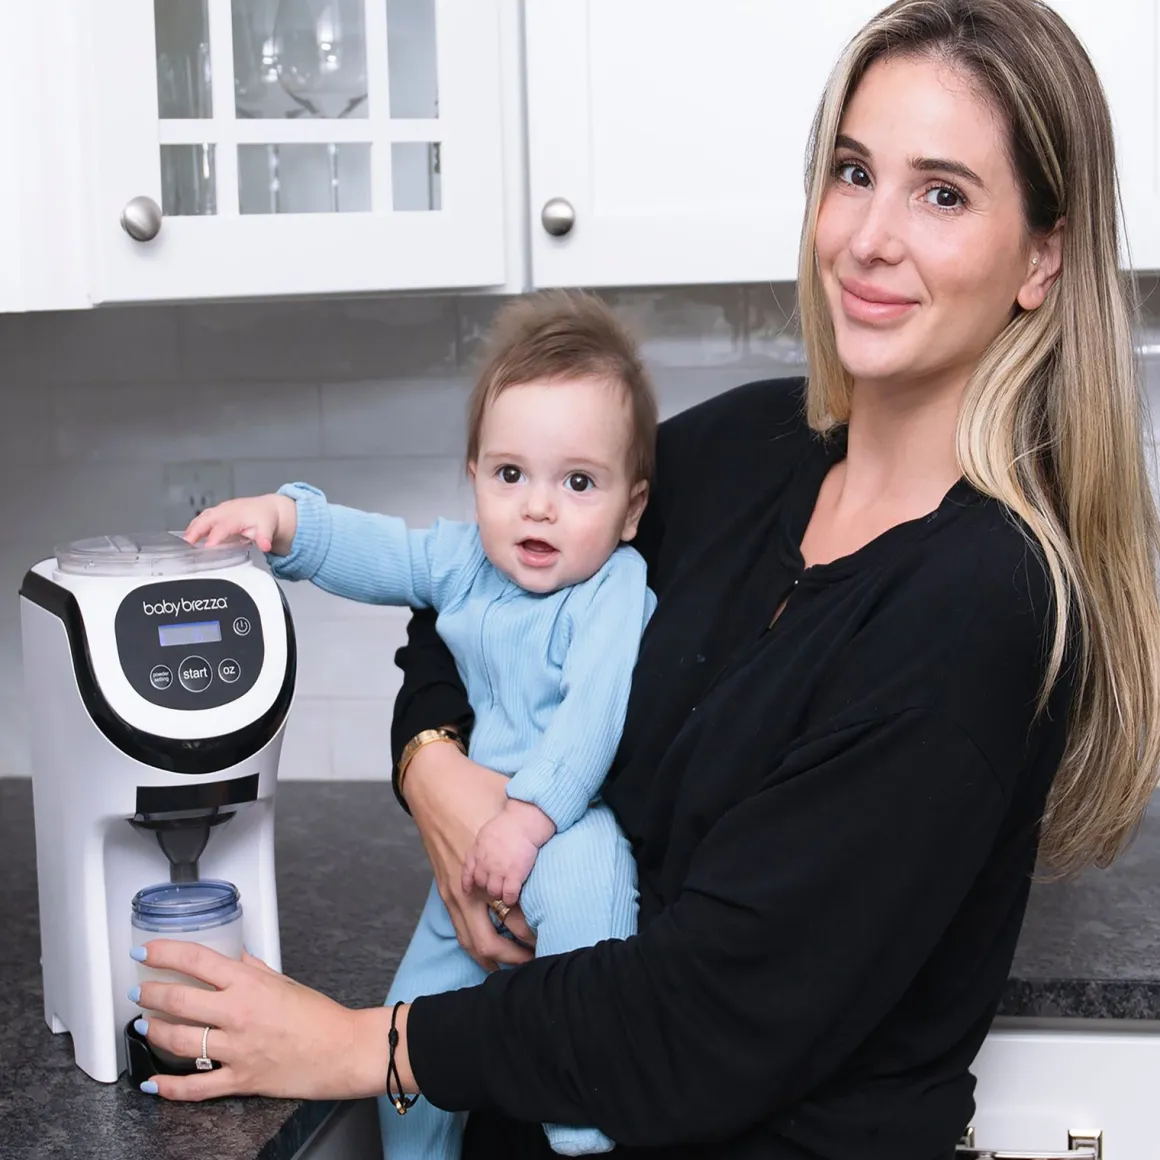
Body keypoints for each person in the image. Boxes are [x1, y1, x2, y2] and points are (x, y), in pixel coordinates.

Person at [130, 2, 1160, 1157]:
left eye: (941, 194)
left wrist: (361, 1043)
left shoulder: (979, 603)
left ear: (1039, 257)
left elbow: (709, 1011)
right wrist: (434, 772)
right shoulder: (746, 448)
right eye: (851, 171)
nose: (868, 237)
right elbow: (476, 590)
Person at [181, 291, 658, 1159]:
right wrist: (286, 524)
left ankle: (585, 1131)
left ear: (631, 510)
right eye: (510, 475)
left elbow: (595, 716)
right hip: (475, 846)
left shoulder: (615, 587)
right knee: (409, 1035)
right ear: (473, 477)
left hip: (567, 828)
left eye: (578, 483)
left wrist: (528, 820)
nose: (538, 507)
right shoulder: (465, 560)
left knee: (586, 960)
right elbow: (382, 552)